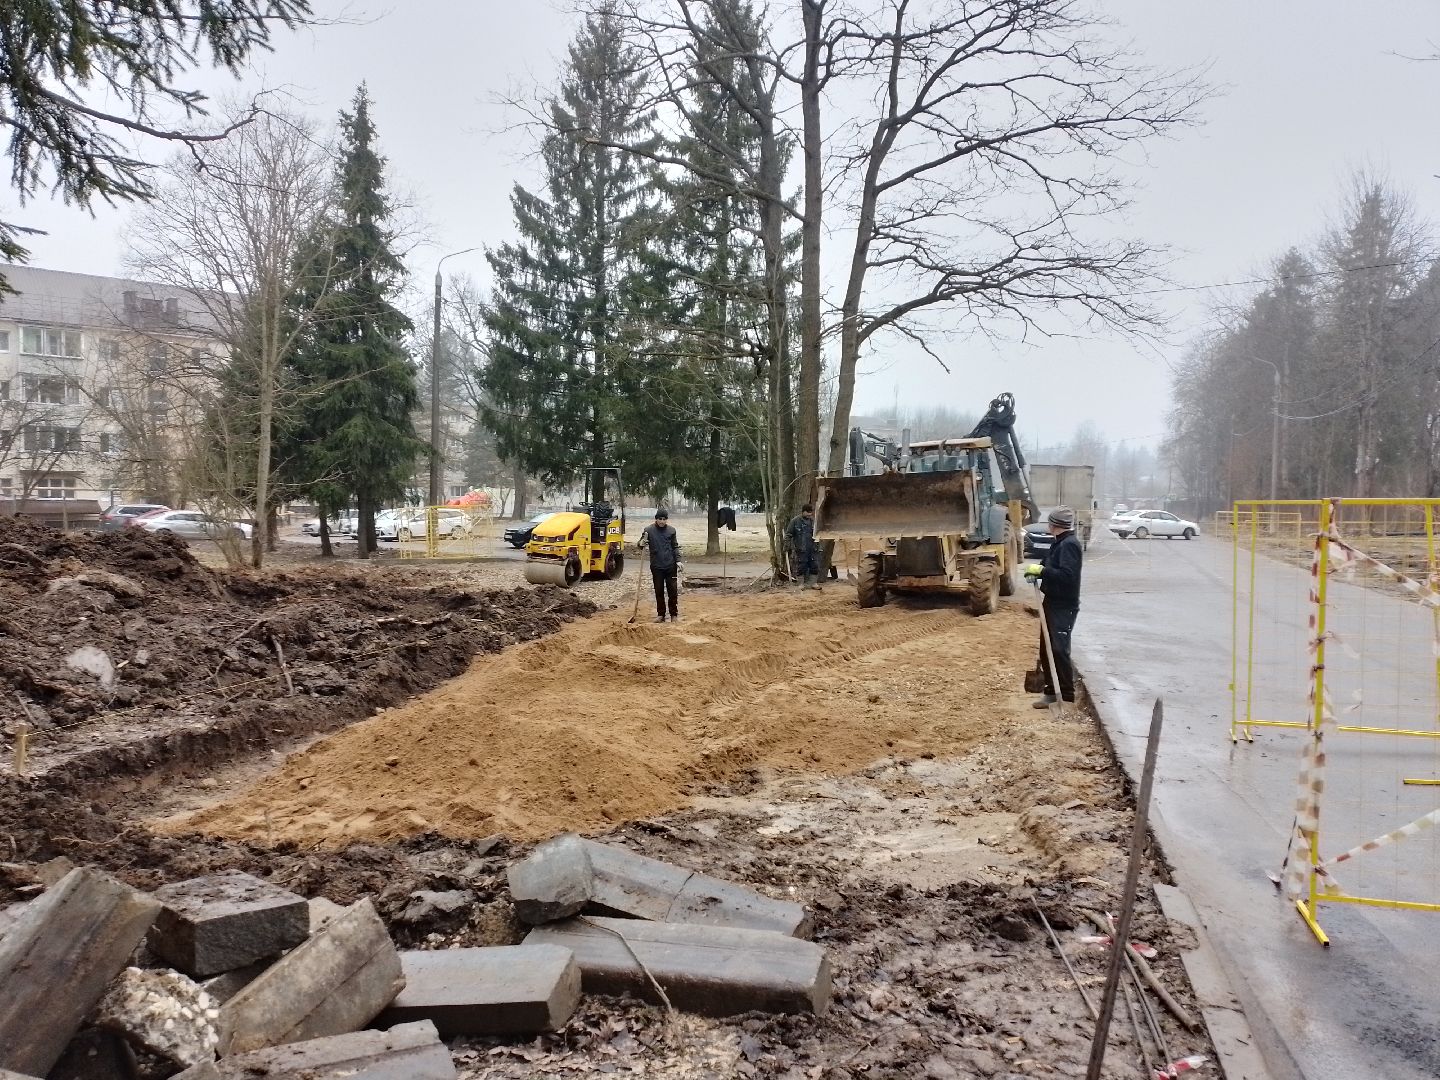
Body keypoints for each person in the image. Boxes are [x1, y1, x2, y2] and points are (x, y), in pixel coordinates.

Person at [1023, 506, 1083, 708]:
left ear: (1055, 524)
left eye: (1050, 522)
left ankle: (1066, 696)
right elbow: (1049, 564)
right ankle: (1050, 692)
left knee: (1058, 650)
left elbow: (1067, 576)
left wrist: (1042, 571)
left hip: (1063, 605)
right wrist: (1037, 570)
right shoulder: (1058, 542)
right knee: (1046, 649)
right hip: (1051, 601)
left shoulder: (1069, 545)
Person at [638, 508, 682, 622]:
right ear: (656, 519)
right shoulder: (648, 530)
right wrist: (641, 543)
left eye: (664, 519)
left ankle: (673, 614)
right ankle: (661, 614)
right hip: (656, 566)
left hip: (670, 566)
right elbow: (640, 544)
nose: (662, 521)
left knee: (672, 591)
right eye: (660, 519)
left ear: (666, 520)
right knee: (659, 591)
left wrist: (678, 560)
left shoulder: (671, 531)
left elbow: (675, 546)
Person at [786, 503, 821, 589]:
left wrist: (818, 545)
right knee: (801, 565)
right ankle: (801, 584)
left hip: (813, 548)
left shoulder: (813, 522)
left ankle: (813, 583)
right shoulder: (795, 521)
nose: (809, 514)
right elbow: (788, 534)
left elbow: (818, 533)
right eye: (808, 512)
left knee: (814, 565)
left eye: (810, 512)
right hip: (801, 548)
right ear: (803, 511)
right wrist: (786, 545)